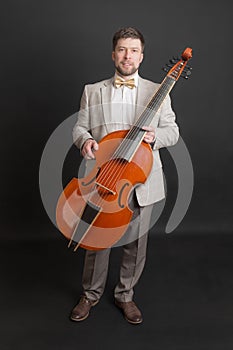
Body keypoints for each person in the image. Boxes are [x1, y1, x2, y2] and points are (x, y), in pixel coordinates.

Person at [71, 27, 179, 324]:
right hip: (106, 178)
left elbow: (173, 131)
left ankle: (125, 296)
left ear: (141, 57)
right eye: (121, 49)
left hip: (143, 181)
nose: (127, 55)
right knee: (99, 239)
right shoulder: (93, 91)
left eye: (133, 50)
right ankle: (90, 295)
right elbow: (79, 128)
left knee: (135, 243)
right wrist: (85, 141)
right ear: (113, 54)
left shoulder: (159, 91)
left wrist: (156, 135)